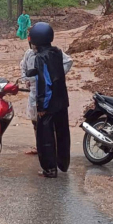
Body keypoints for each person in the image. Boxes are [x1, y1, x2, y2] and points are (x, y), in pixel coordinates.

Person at [21, 27, 72, 156]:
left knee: (48, 122)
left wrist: (55, 75)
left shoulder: (52, 53)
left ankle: (50, 151)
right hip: (34, 92)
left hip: (48, 91)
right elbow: (23, 67)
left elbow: (68, 62)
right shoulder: (29, 54)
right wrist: (25, 80)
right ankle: (40, 146)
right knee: (35, 121)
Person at [30, 22, 71, 178]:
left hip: (49, 103)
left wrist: (41, 106)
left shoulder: (40, 57)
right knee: (62, 133)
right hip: (62, 100)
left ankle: (49, 169)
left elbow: (45, 83)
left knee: (45, 136)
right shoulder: (57, 52)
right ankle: (63, 164)